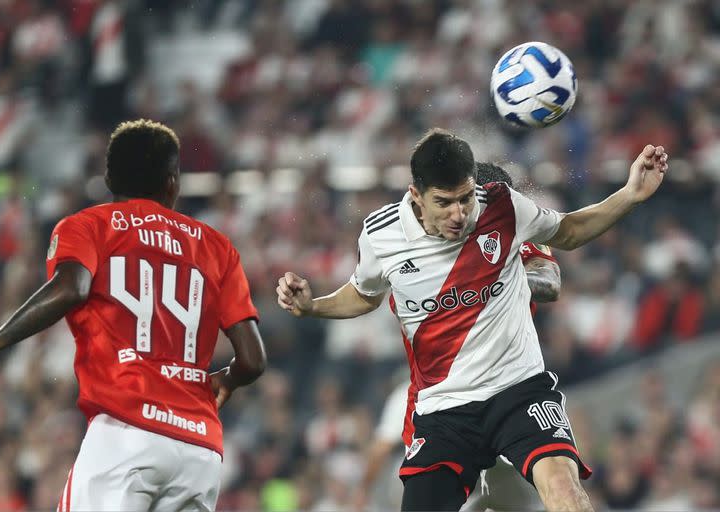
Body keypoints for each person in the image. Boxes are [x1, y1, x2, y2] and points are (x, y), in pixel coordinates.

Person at [277, 128, 668, 512]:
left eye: (465, 199)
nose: (459, 213)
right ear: (416, 195)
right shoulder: (382, 235)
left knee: (565, 492)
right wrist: (313, 306)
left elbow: (567, 231)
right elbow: (363, 294)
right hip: (445, 409)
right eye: (444, 202)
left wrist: (630, 194)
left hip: (518, 390)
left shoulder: (501, 205)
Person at [0, 119, 267, 511]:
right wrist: (228, 380)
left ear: (108, 178)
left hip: (125, 434)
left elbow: (72, 289)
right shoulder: (218, 248)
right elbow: (253, 360)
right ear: (172, 183)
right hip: (199, 448)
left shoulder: (89, 227)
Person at [355, 162, 560, 512]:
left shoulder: (512, 242)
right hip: (443, 415)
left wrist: (499, 279)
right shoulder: (420, 258)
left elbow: (550, 281)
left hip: (508, 402)